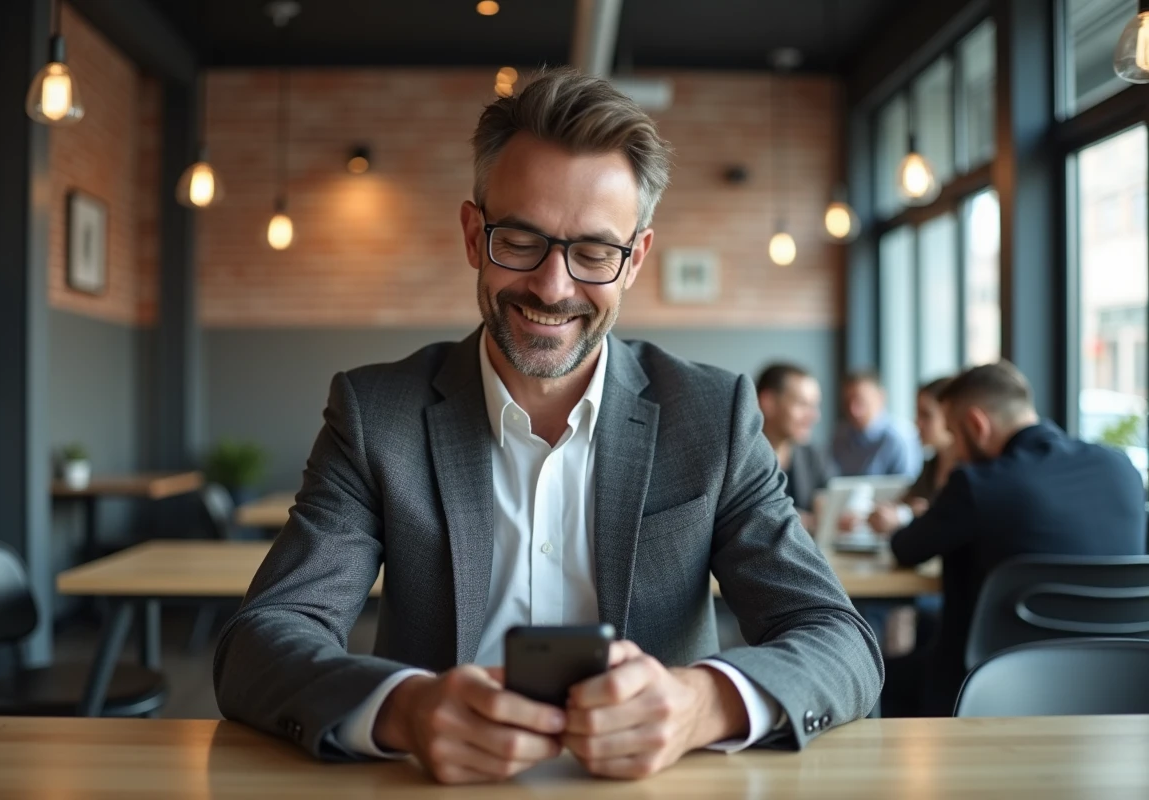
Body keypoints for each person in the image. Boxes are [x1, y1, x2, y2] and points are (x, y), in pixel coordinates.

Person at [214, 68, 882, 784]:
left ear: (635, 262)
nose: (554, 287)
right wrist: (403, 710)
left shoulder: (711, 416)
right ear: (474, 235)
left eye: (594, 252)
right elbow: (261, 641)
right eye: (521, 240)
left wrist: (701, 702)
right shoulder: (377, 414)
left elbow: (839, 641)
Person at [883, 361, 1147, 716]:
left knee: (882, 677)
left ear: (977, 424)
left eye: (954, 434)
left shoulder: (978, 484)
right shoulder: (1121, 468)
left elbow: (906, 547)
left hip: (996, 684)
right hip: (1119, 683)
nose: (956, 450)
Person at [867, 377, 956, 535]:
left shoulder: (969, 472)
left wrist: (905, 516)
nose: (917, 423)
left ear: (950, 415)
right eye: (917, 414)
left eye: (926, 415)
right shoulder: (931, 466)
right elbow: (904, 504)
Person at [755, 362, 836, 530]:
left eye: (814, 406)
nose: (814, 416)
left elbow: (828, 497)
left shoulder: (811, 455)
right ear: (768, 402)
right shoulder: (740, 460)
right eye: (802, 404)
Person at [832, 371, 923, 479]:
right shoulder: (841, 436)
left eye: (860, 402)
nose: (853, 410)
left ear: (880, 398)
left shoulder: (900, 438)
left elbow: (908, 487)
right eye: (847, 402)